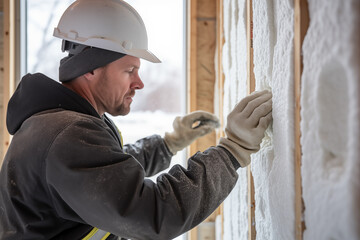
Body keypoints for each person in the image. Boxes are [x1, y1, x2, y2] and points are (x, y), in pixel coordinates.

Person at [0, 0, 273, 239]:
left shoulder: (61, 126)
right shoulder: (67, 135)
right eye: (130, 70)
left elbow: (108, 172)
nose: (139, 83)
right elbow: (153, 213)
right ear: (91, 68)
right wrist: (232, 151)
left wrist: (168, 144)